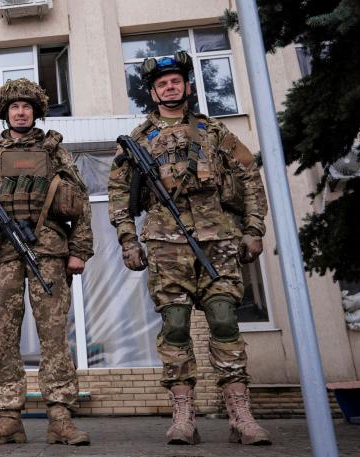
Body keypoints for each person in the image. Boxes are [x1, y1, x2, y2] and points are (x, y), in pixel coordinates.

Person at [108, 51, 272, 446]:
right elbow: (117, 194)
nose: (170, 87)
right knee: (176, 326)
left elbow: (249, 178)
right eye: (162, 83)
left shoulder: (216, 133)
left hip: (218, 242)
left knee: (223, 320)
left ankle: (240, 415)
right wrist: (128, 240)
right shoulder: (137, 141)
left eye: (176, 81)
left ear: (188, 86)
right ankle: (184, 416)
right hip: (165, 245)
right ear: (152, 92)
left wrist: (253, 229)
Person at [0, 78, 94, 446]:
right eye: (14, 107)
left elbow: (80, 204)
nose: (21, 112)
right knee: (4, 336)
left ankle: (60, 417)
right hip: (2, 254)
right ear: (5, 114)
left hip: (49, 251)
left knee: (54, 335)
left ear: (36, 112)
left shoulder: (55, 154)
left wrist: (79, 250)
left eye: (27, 107)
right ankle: (8, 418)